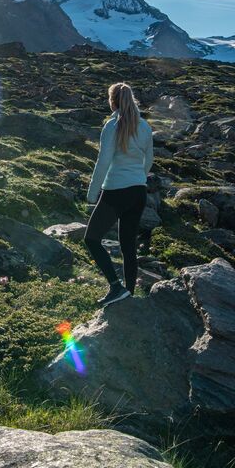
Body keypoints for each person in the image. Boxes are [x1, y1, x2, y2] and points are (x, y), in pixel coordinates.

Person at [84, 81, 153, 307]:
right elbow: (149, 160)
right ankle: (128, 293)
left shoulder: (111, 125)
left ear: (112, 101)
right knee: (128, 245)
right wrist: (139, 178)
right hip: (138, 191)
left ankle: (116, 286)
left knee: (92, 238)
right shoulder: (144, 126)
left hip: (115, 190)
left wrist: (92, 194)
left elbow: (103, 161)